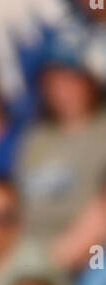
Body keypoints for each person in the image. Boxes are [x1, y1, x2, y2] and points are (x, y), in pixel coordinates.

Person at [16, 31, 106, 247]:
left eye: (70, 79)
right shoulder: (34, 138)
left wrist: (53, 263)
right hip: (32, 253)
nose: (61, 91)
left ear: (90, 82)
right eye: (52, 83)